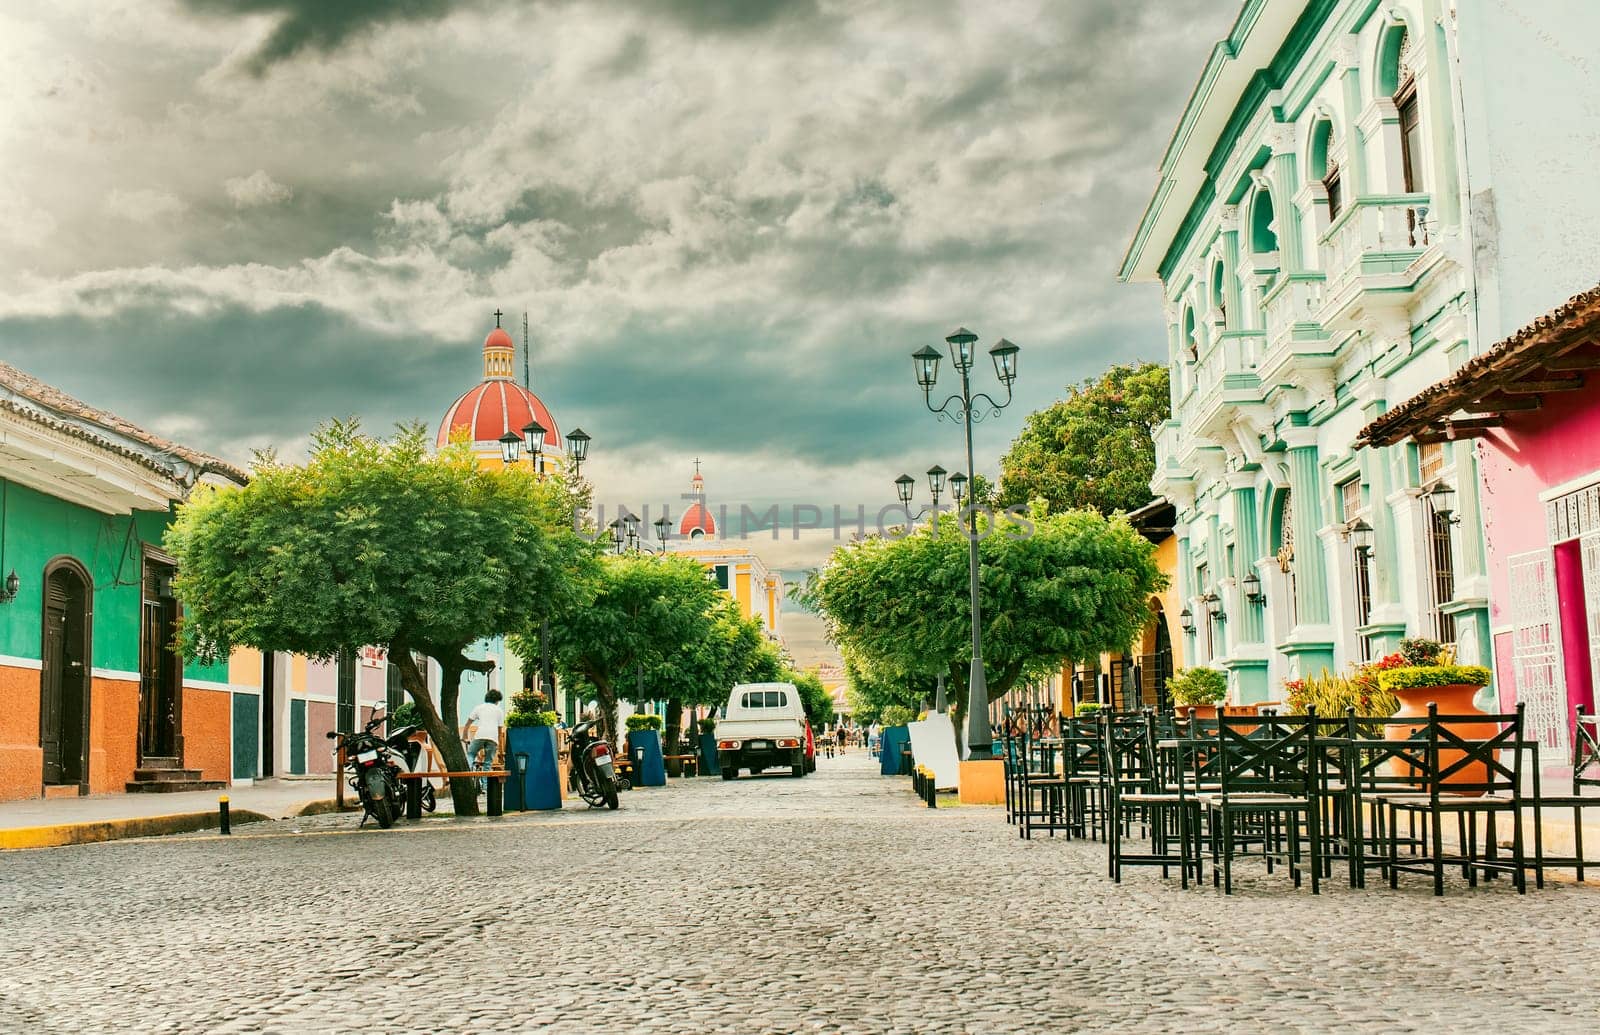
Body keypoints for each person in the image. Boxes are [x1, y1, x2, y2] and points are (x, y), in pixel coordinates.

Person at [462, 689, 504, 794]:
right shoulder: (499, 710)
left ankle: (469, 775)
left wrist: (464, 736)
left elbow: (468, 724)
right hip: (493, 738)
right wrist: (499, 747)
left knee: (471, 754)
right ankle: (485, 787)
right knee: (488, 763)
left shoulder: (479, 708)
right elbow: (500, 731)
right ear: (497, 700)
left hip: (480, 735)